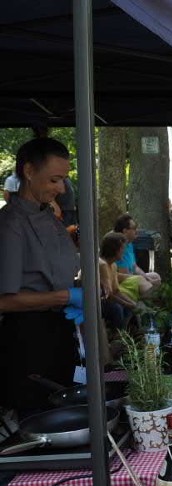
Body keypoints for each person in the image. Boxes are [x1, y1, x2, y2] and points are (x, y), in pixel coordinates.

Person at [0, 137, 82, 415]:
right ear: (29, 171)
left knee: (66, 407)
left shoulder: (47, 215)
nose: (60, 189)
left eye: (63, 181)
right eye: (54, 180)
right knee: (41, 416)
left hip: (59, 328)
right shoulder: (11, 223)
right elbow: (4, 301)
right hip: (29, 339)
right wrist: (65, 296)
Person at [113, 214, 161, 296]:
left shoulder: (129, 244)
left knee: (155, 276)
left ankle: (150, 301)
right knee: (145, 284)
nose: (137, 231)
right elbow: (124, 275)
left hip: (131, 276)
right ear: (125, 231)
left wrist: (146, 277)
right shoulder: (118, 247)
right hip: (122, 280)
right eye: (134, 228)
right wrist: (145, 280)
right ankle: (143, 304)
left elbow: (135, 267)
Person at [99, 232, 138, 331]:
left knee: (130, 307)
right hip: (98, 301)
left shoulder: (113, 265)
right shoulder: (102, 265)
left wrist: (132, 303)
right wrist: (128, 304)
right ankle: (117, 335)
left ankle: (125, 334)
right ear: (114, 250)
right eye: (122, 249)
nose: (124, 251)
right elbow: (109, 294)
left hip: (108, 298)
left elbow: (116, 291)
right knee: (117, 308)